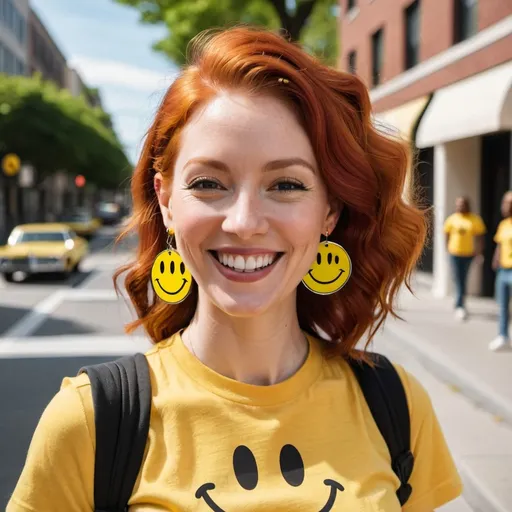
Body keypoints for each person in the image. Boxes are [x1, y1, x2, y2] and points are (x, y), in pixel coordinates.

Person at [8, 26, 463, 511]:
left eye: (286, 185)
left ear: (329, 211)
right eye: (208, 183)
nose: (244, 223)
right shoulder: (90, 421)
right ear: (165, 201)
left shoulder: (395, 405)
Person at [443, 196, 486, 320]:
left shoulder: (474, 219)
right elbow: (446, 234)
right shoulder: (452, 219)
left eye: (462, 204)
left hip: (468, 254)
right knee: (457, 278)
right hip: (454, 253)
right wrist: (447, 248)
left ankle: (459, 304)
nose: (459, 206)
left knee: (463, 278)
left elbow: (480, 237)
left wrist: (478, 252)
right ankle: (459, 304)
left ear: (467, 205)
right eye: (458, 204)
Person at [490, 191, 512, 352]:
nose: (504, 206)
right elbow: (500, 243)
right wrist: (496, 259)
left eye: (508, 203)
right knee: (502, 306)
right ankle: (503, 336)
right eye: (504, 202)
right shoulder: (504, 224)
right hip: (503, 270)